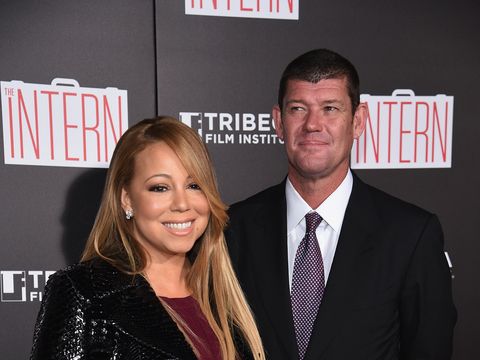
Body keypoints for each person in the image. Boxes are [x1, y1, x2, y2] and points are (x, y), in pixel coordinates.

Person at [226, 49, 456, 360]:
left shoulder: (411, 235)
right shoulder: (233, 228)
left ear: (358, 121)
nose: (313, 124)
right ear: (279, 122)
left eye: (330, 108)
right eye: (297, 109)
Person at [30, 117, 265, 360]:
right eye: (160, 188)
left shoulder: (226, 294)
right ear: (126, 199)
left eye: (194, 185)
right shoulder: (85, 294)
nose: (182, 204)